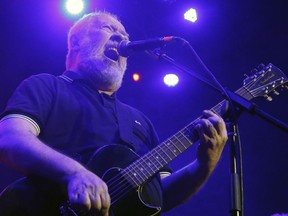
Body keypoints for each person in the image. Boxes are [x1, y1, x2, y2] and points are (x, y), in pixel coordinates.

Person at [0, 11, 228, 216]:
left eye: (124, 34)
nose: (121, 37)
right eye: (109, 29)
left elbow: (160, 197)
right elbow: (9, 138)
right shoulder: (47, 86)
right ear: (77, 42)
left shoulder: (139, 121)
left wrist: (203, 166)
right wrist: (74, 173)